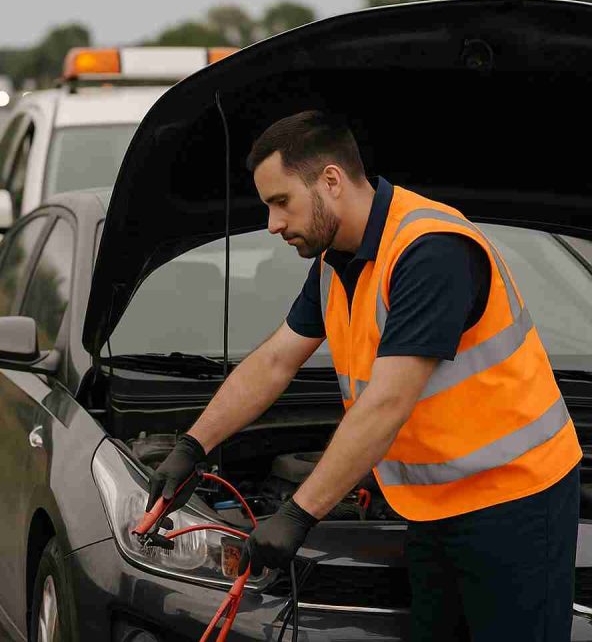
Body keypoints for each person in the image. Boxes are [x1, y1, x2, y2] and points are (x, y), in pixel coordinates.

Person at [146, 110, 581, 641]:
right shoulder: (335, 263)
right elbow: (275, 360)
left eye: (281, 202)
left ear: (330, 180)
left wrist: (299, 513)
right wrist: (193, 445)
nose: (273, 224)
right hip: (430, 506)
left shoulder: (431, 251)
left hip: (514, 502)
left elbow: (387, 402)